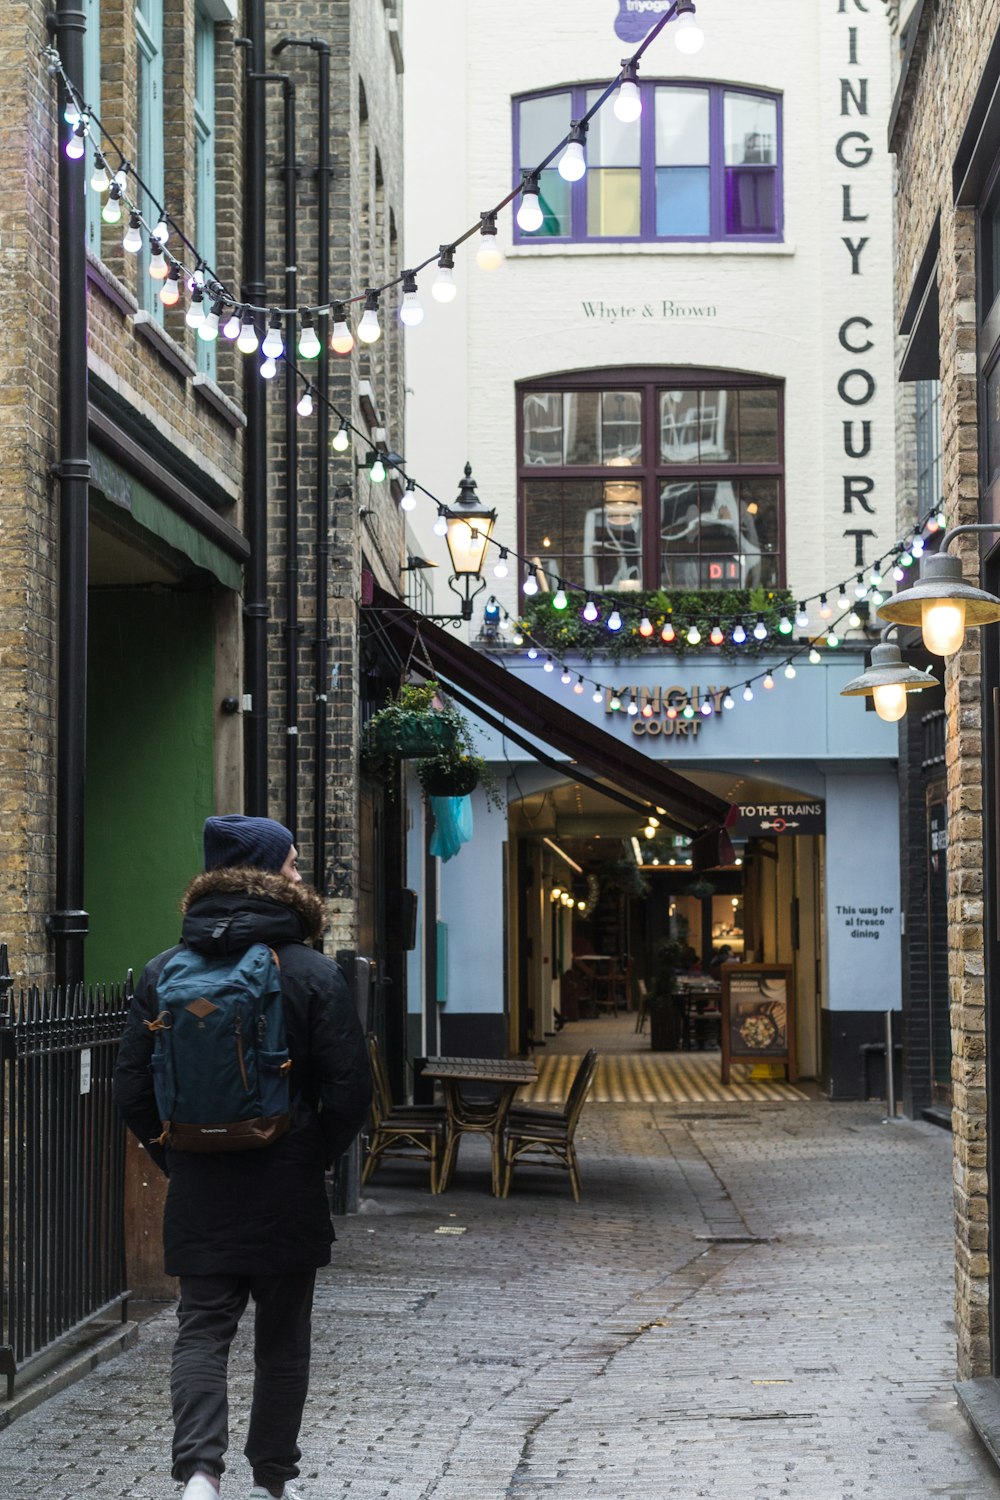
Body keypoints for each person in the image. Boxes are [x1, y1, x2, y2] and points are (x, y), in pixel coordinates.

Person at [114, 814, 372, 1500]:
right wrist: (311, 1152)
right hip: (286, 1178)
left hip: (200, 1179)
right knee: (282, 1340)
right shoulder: (312, 971)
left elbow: (133, 1089)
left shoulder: (165, 971)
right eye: (291, 863)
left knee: (201, 1329)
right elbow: (351, 1090)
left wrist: (181, 1156)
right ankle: (273, 1482)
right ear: (265, 872)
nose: (299, 873)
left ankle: (199, 1475)